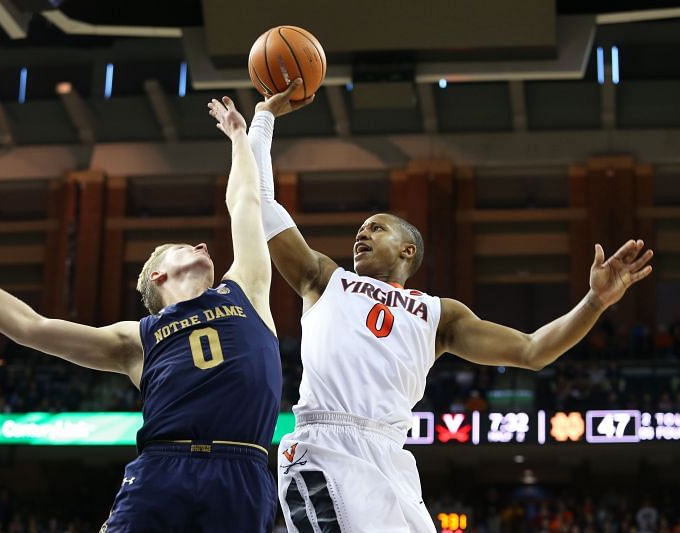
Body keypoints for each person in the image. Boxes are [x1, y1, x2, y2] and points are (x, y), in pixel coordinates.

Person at [248, 94, 654, 532]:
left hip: (390, 456)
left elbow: (533, 350)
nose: (361, 233)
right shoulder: (326, 279)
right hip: (325, 446)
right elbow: (263, 204)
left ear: (408, 249)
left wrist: (594, 302)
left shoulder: (439, 315)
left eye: (376, 227)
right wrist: (263, 119)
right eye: (360, 229)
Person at [0, 93, 288, 532]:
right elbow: (29, 327)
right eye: (184, 246)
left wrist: (242, 137)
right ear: (158, 277)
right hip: (163, 470)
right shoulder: (137, 339)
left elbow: (245, 204)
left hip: (241, 472)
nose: (203, 245)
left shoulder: (247, 290)